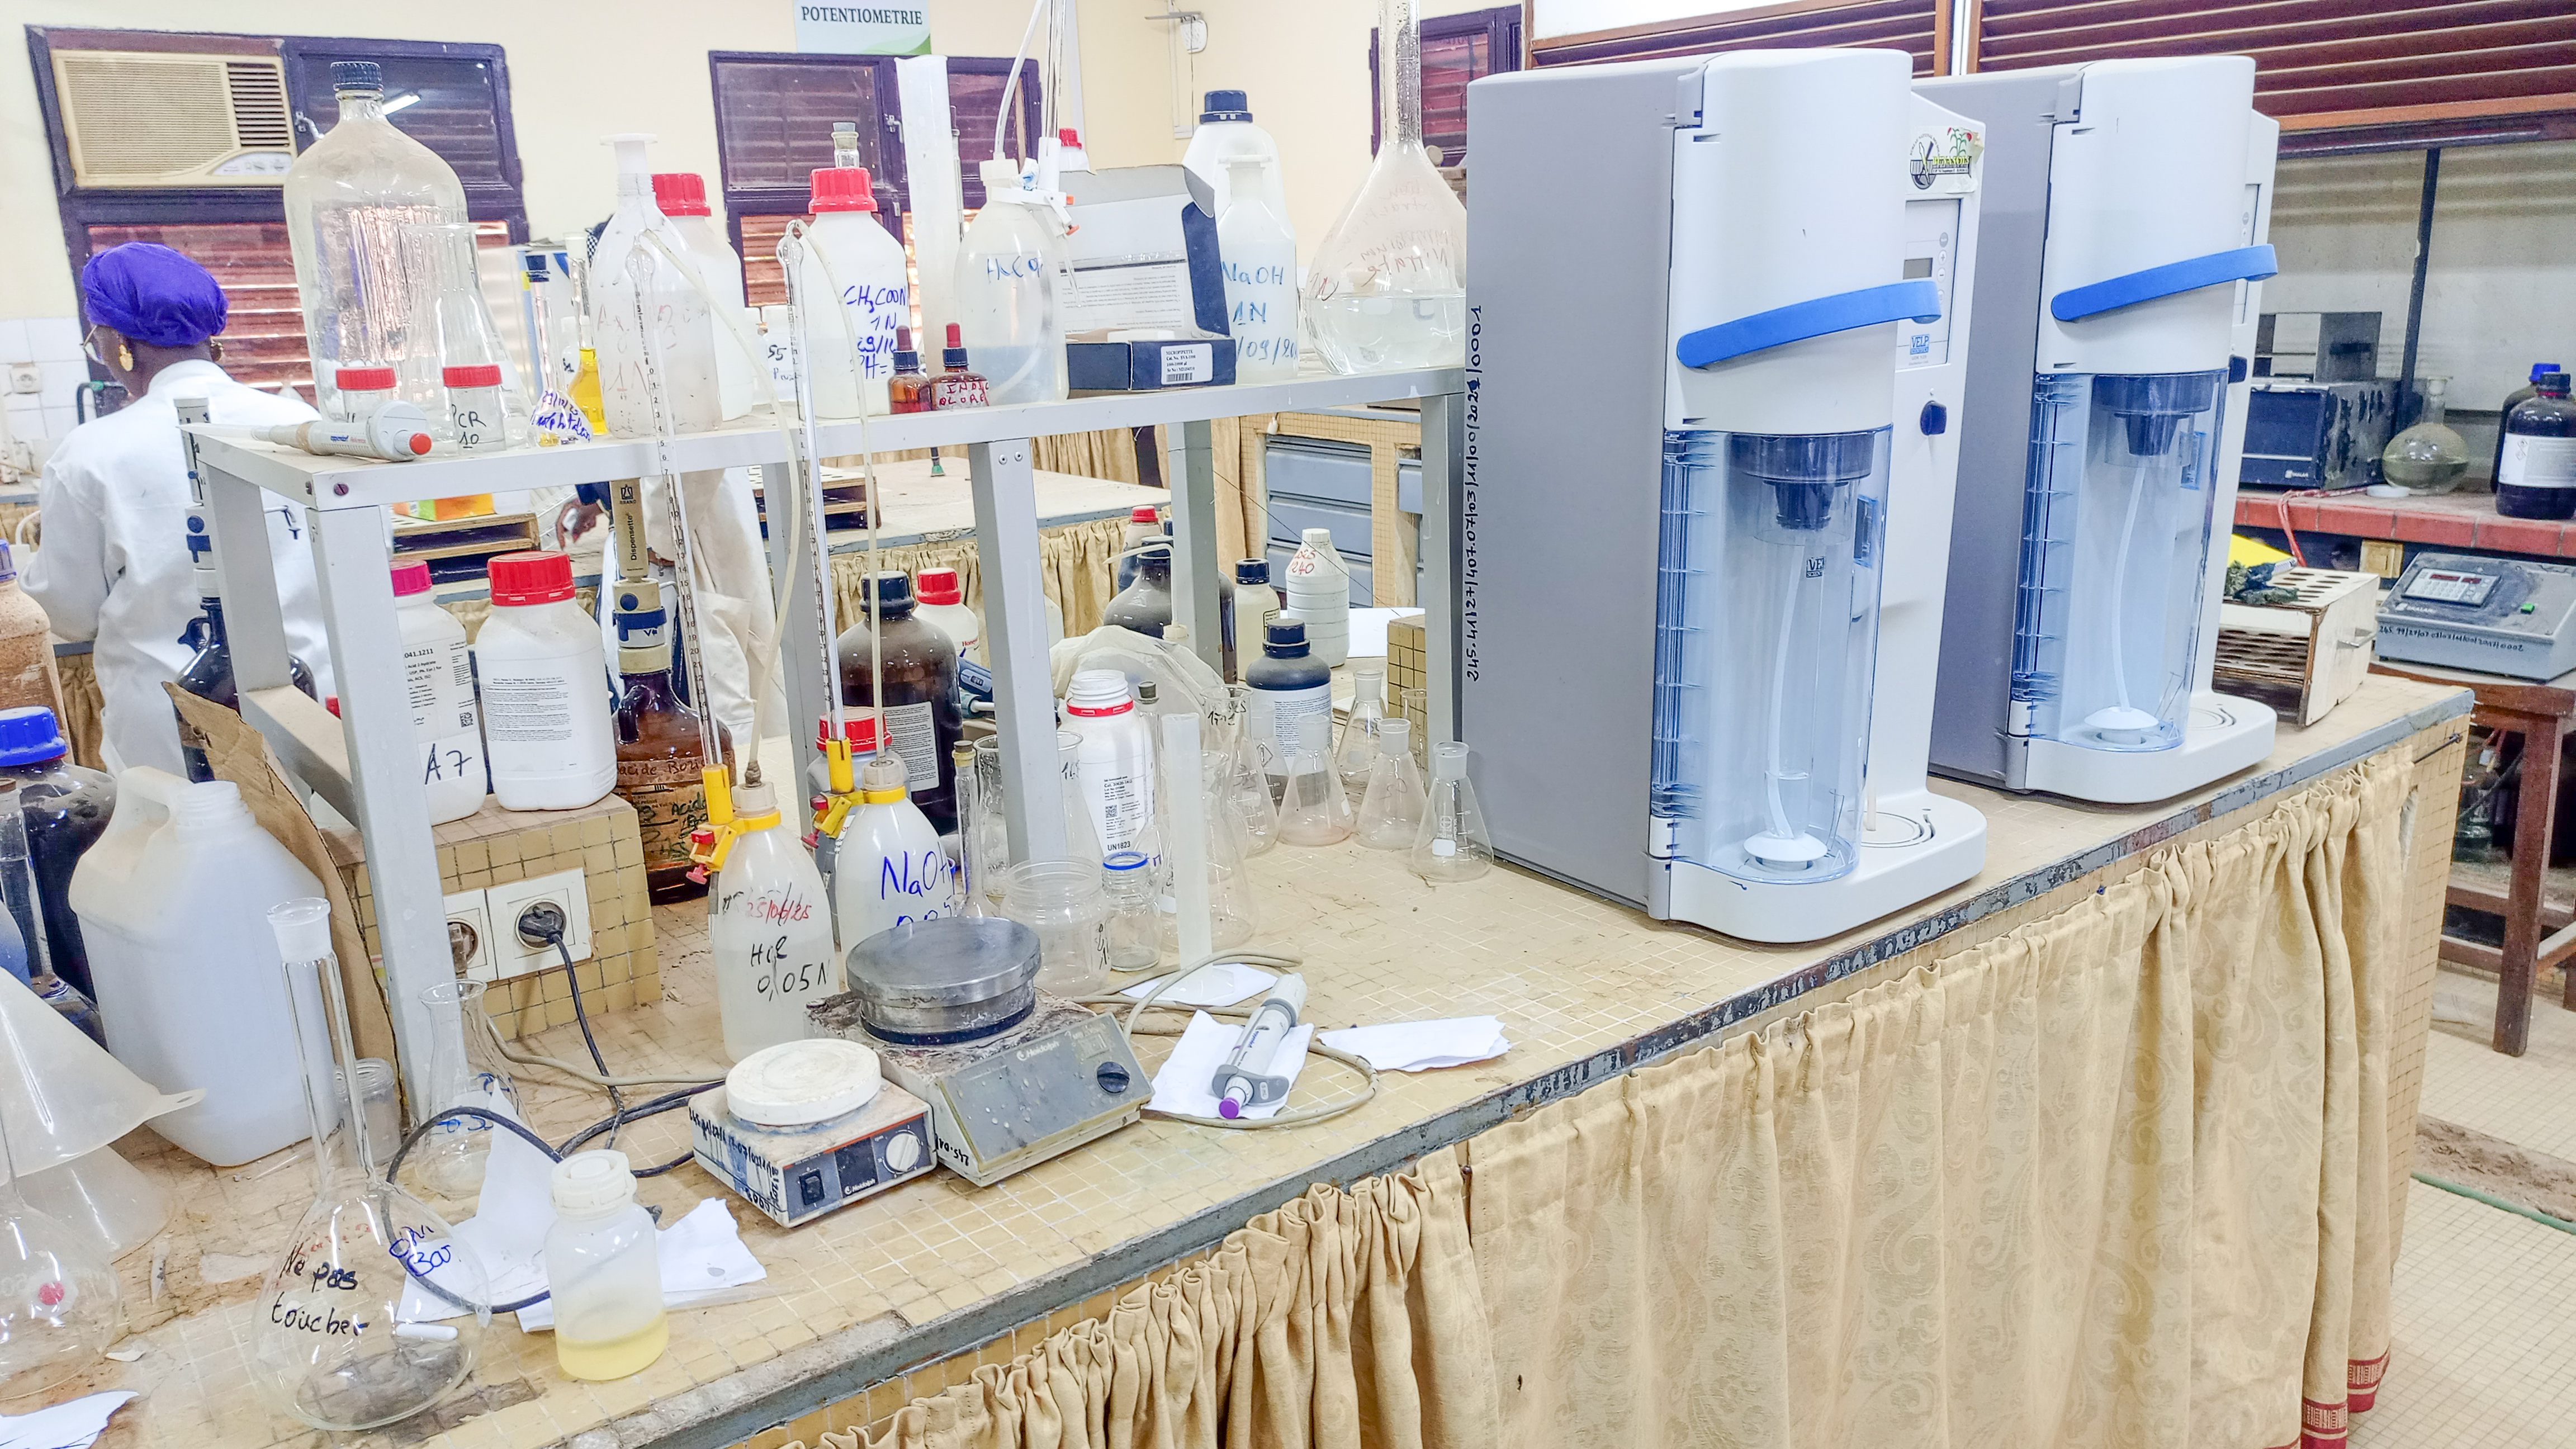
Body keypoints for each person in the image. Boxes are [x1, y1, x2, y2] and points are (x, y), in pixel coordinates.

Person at [26, 243, 337, 776]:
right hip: (315, 709)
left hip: (175, 732)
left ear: (120, 343)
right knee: (323, 826)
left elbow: (69, 613)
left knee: (191, 828)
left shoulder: (91, 454)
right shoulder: (298, 424)